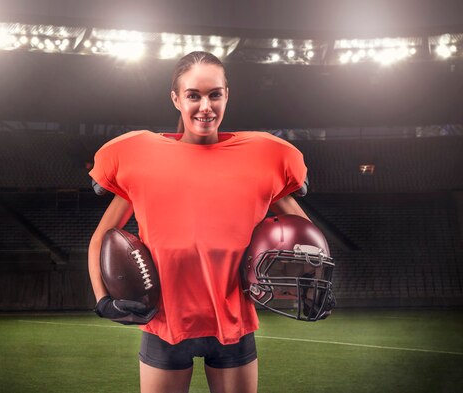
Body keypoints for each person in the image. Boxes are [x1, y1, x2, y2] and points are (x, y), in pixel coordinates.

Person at [88, 51, 310, 393]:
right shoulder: (141, 157)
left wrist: (304, 275)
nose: (205, 106)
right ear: (176, 99)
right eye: (193, 95)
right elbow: (103, 236)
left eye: (214, 94)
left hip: (233, 322)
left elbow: (302, 230)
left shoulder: (264, 157)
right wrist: (103, 299)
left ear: (227, 95)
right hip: (164, 321)